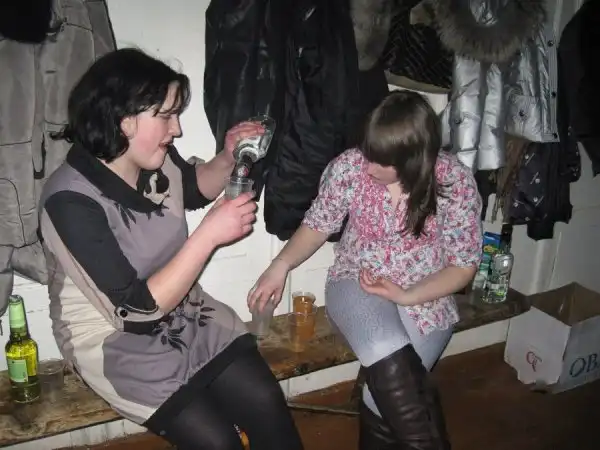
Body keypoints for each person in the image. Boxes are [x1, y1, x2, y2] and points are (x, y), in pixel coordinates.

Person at [39, 48, 303, 450]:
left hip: (182, 308)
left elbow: (193, 187)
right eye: (165, 116)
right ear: (123, 119)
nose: (176, 129)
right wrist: (208, 235)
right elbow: (135, 311)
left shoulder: (153, 160)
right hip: (110, 335)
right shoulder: (69, 200)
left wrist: (228, 156)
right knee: (218, 443)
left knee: (266, 403)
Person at [248, 90, 483, 449]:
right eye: (368, 152)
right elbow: (318, 225)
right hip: (357, 280)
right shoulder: (350, 167)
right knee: (385, 351)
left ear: (413, 161)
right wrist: (279, 266)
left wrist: (408, 295)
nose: (368, 166)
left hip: (427, 293)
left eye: (379, 161)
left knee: (380, 398)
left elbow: (463, 266)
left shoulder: (454, 182)